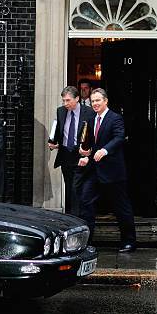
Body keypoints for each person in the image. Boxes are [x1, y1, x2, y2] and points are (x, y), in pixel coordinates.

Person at [77, 88, 136, 252]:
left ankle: (129, 242)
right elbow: (88, 143)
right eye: (93, 101)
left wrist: (105, 150)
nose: (95, 104)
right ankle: (87, 242)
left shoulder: (115, 118)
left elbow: (119, 137)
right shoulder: (90, 119)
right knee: (85, 202)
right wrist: (85, 154)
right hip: (94, 171)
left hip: (113, 171)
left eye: (98, 100)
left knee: (121, 207)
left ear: (106, 101)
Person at [48, 86, 95, 216]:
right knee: (69, 189)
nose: (65, 103)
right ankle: (71, 218)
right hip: (65, 157)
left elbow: (93, 135)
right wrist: (52, 141)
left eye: (68, 100)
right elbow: (57, 129)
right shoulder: (61, 111)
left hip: (80, 156)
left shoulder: (89, 112)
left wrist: (89, 152)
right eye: (63, 100)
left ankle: (77, 219)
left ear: (77, 99)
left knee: (76, 189)